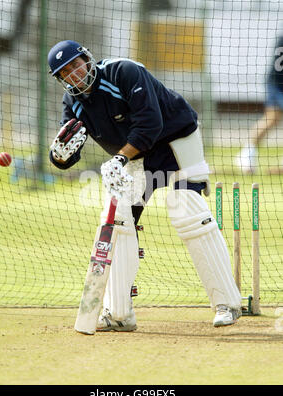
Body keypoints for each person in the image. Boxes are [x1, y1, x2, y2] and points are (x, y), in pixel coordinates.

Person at [48, 40, 242, 330]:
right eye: (67, 72)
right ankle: (118, 314)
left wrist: (119, 158)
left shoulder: (123, 72)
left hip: (175, 138)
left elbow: (150, 123)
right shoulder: (72, 103)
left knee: (187, 212)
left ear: (87, 59)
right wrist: (59, 157)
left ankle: (227, 303)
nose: (75, 73)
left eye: (77, 64)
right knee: (118, 221)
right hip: (135, 156)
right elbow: (69, 147)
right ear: (62, 79)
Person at [235, 36, 283, 174]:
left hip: (276, 83)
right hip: (277, 84)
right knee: (272, 118)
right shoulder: (282, 39)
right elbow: (279, 68)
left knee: (272, 118)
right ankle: (247, 153)